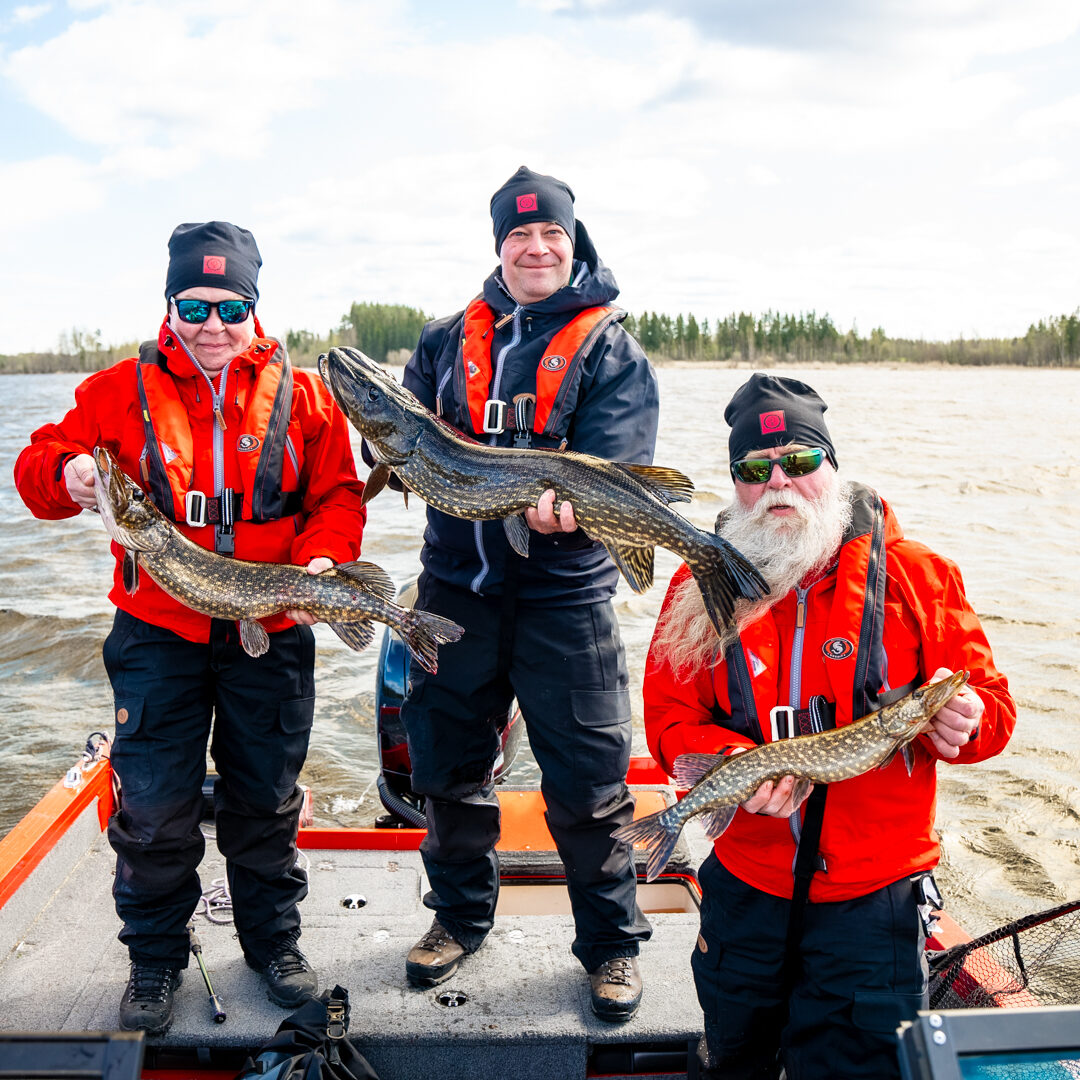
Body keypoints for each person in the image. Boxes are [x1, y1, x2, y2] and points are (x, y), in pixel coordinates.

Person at [13, 221, 367, 1035]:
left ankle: (274, 943)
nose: (212, 323)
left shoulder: (306, 396)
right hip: (155, 635)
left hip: (269, 626)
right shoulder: (112, 391)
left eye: (231, 305)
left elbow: (339, 497)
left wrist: (321, 561)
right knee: (154, 807)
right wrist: (65, 473)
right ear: (169, 304)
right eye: (194, 305)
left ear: (255, 305)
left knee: (266, 800)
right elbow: (36, 468)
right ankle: (153, 959)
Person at [641, 372, 1016, 1078]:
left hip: (873, 901)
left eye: (801, 462)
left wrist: (964, 720)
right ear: (738, 485)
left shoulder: (918, 575)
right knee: (734, 1056)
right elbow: (667, 717)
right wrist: (729, 762)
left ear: (832, 467)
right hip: (746, 886)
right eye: (755, 469)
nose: (778, 482)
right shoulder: (698, 586)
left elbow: (992, 707)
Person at [396, 166, 658, 1019]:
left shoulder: (610, 347)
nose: (535, 247)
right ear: (498, 246)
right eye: (518, 235)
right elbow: (397, 435)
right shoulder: (442, 342)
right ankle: (459, 920)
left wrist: (569, 516)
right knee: (446, 771)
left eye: (550, 233)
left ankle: (612, 947)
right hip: (456, 593)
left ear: (572, 241)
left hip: (564, 603)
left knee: (588, 785)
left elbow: (615, 471)